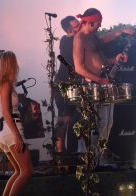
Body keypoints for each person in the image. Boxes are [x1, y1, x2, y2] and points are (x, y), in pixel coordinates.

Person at [73, 8, 134, 159]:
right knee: (94, 124)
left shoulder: (93, 37)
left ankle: (100, 158)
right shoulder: (79, 39)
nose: (100, 26)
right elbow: (79, 68)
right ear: (90, 22)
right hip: (92, 85)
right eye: (98, 23)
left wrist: (115, 58)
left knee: (108, 123)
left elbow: (102, 58)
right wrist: (99, 80)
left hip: (104, 82)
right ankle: (89, 159)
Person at [0, 51, 33, 196]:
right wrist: (17, 136)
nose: (17, 65)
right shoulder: (5, 84)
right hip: (10, 128)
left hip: (3, 131)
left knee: (18, 171)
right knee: (27, 171)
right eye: (14, 62)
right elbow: (7, 112)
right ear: (8, 64)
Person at [54, 16, 80, 153]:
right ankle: (59, 150)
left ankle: (69, 151)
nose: (80, 26)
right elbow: (65, 59)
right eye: (77, 26)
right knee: (64, 117)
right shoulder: (66, 40)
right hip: (63, 83)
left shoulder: (79, 39)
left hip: (73, 84)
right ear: (70, 30)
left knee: (70, 117)